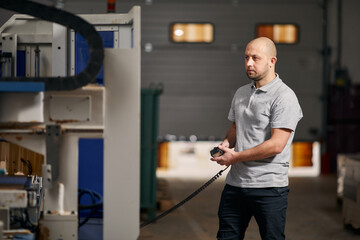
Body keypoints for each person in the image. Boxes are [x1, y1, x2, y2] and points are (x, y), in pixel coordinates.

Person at [211, 37, 303, 240]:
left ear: (272, 61)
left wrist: (234, 158)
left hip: (269, 188)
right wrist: (227, 143)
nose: (249, 63)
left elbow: (276, 145)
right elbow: (237, 126)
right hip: (235, 185)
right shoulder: (241, 93)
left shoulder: (284, 97)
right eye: (246, 58)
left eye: (255, 58)